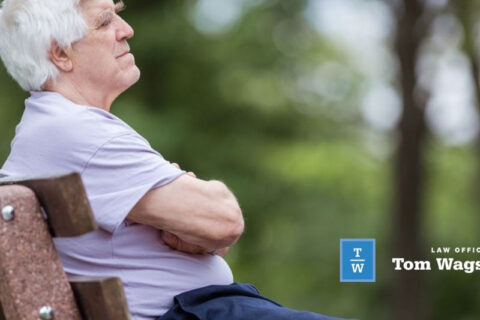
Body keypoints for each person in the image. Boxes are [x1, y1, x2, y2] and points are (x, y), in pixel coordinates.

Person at [0, 1, 355, 319]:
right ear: (61, 53)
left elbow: (215, 234)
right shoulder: (78, 133)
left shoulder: (50, 130)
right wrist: (187, 193)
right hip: (192, 313)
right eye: (105, 21)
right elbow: (224, 221)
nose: (126, 30)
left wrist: (191, 215)